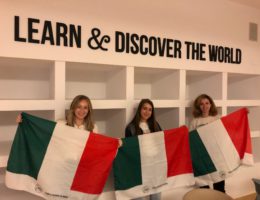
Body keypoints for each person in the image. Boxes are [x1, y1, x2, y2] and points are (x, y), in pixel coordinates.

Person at [125, 98, 162, 200]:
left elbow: (161, 144)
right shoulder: (131, 128)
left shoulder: (156, 125)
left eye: (150, 109)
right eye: (144, 108)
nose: (147, 112)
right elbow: (130, 150)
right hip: (139, 166)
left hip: (154, 165)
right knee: (138, 195)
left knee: (156, 195)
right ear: (139, 110)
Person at [189, 94, 225, 193]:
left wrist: (243, 114)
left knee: (220, 189)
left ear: (211, 104)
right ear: (198, 106)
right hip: (201, 159)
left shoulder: (217, 118)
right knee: (204, 190)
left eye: (207, 103)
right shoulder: (194, 122)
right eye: (201, 104)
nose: (204, 106)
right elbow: (191, 142)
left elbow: (226, 133)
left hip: (216, 157)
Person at [17, 95, 98, 132]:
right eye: (78, 107)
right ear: (73, 108)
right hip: (64, 165)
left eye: (85, 107)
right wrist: (24, 122)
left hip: (84, 165)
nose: (82, 110)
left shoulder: (93, 128)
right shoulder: (61, 124)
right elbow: (42, 132)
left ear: (89, 110)